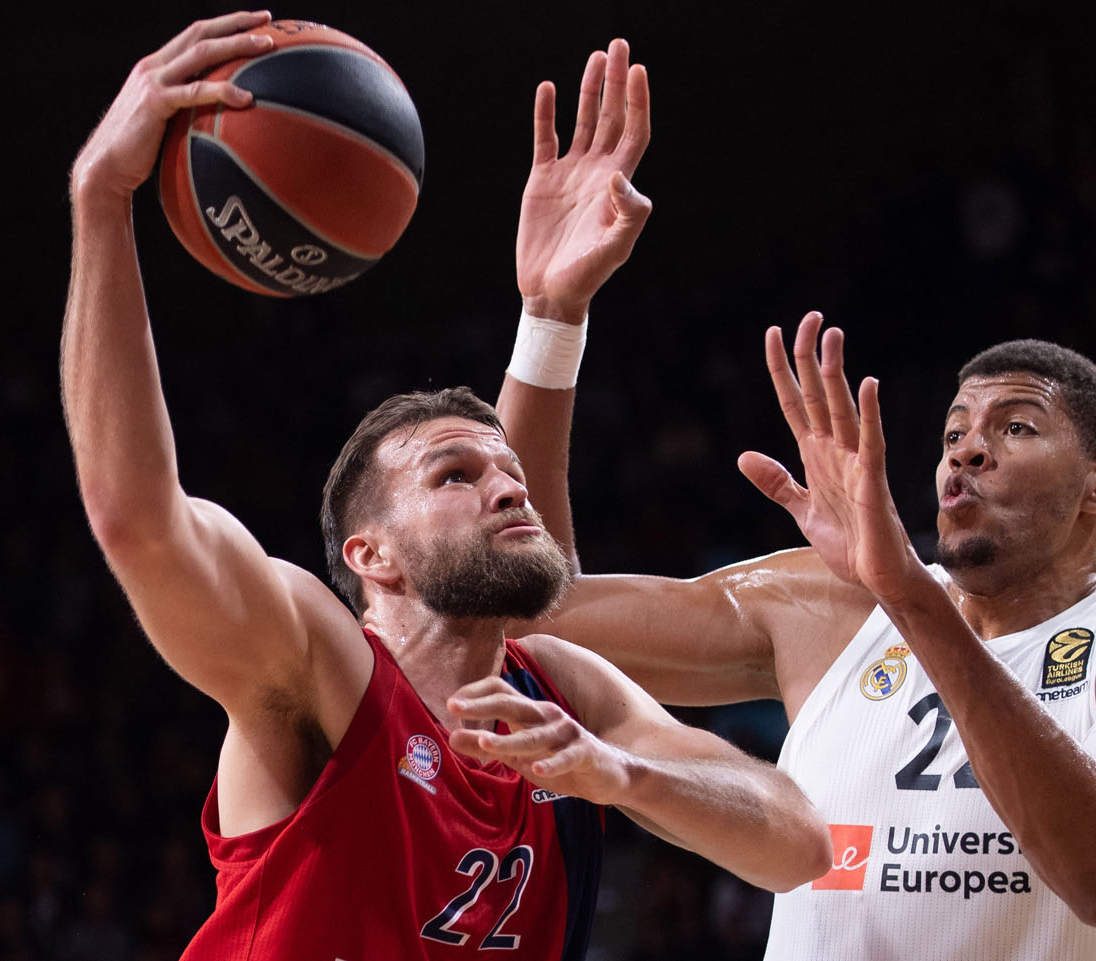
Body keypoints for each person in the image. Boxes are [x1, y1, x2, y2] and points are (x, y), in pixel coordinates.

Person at [60, 12, 832, 959]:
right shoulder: (317, 664)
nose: (511, 490)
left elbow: (796, 841)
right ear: (369, 553)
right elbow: (139, 520)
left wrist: (620, 773)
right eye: (456, 474)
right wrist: (101, 198)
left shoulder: (566, 695)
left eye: (510, 472)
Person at [497, 305, 1096, 960]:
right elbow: (530, 614)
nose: (966, 451)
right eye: (953, 432)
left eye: (1015, 427)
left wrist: (909, 598)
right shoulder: (832, 606)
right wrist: (553, 319)